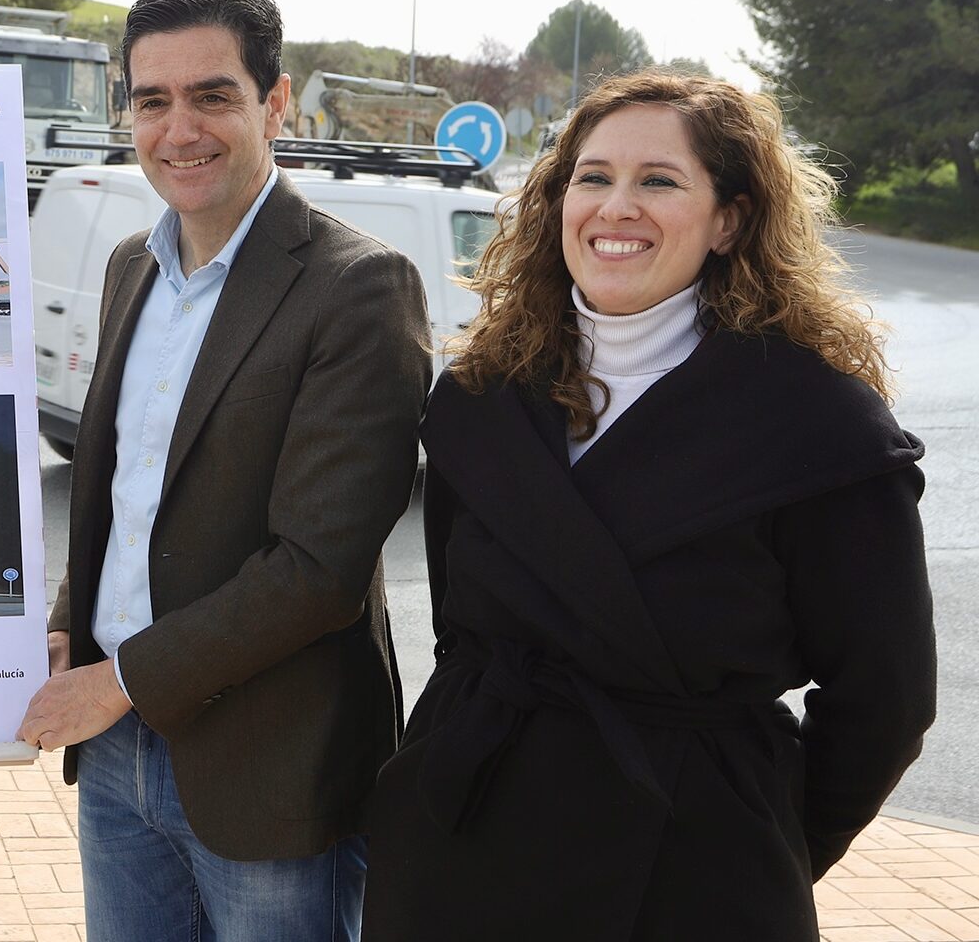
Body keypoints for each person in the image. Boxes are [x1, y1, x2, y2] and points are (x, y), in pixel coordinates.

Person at [362, 71, 935, 941]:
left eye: (658, 181)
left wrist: (764, 838)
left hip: (689, 872)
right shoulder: (480, 396)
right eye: (592, 178)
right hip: (464, 852)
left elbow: (885, 700)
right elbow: (460, 631)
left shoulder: (823, 428)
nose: (616, 206)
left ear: (730, 219)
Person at [15, 0, 432, 942]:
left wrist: (112, 682)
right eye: (152, 101)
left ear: (275, 102)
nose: (179, 129)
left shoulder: (358, 287)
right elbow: (125, 496)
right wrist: (68, 623)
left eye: (213, 95)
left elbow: (318, 569)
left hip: (273, 766)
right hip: (117, 754)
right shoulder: (130, 267)